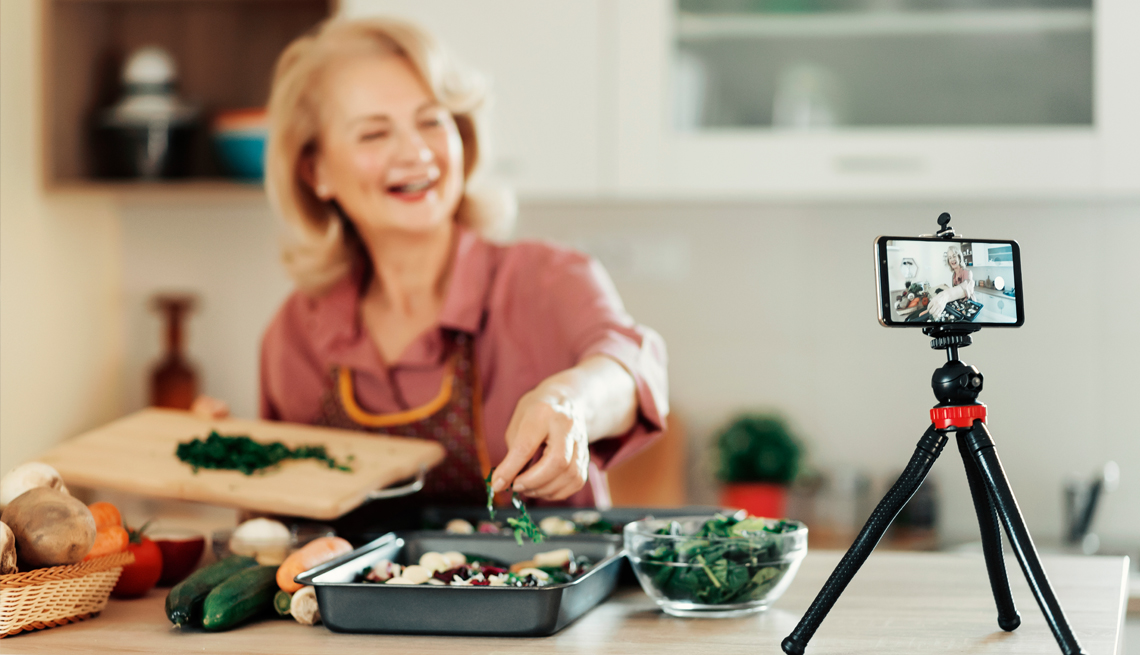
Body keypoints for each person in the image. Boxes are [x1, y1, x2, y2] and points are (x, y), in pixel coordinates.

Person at [194, 18, 667, 508]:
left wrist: (571, 401)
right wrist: (233, 464)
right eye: (375, 133)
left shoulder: (547, 280)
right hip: (361, 589)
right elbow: (285, 519)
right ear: (317, 172)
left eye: (432, 120)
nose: (417, 152)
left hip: (544, 581)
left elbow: (632, 372)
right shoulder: (296, 333)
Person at [925, 244, 975, 321]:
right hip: (959, 309)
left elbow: (966, 287)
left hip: (970, 308)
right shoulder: (954, 275)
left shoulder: (967, 272)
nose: (952, 260)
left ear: (959, 257)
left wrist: (945, 296)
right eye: (950, 258)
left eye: (954, 256)